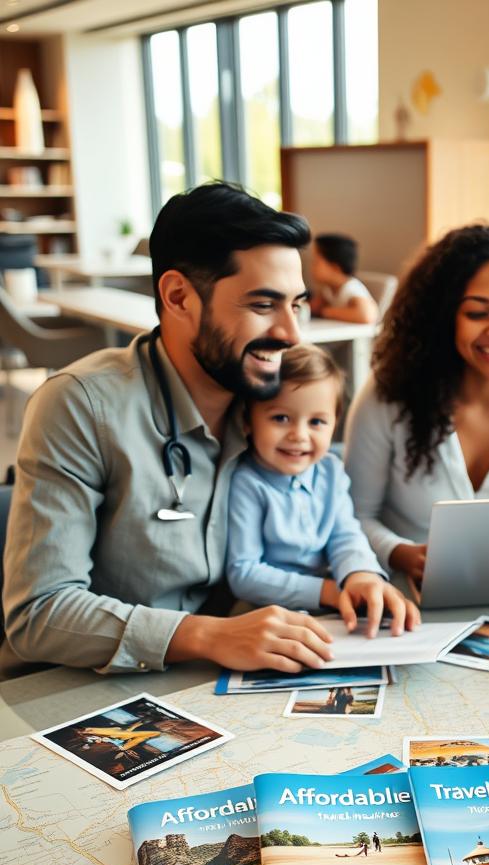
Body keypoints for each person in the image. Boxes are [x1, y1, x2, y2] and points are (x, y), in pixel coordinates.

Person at [1, 181, 339, 677]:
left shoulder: (279, 407)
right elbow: (39, 613)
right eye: (264, 305)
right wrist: (208, 635)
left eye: (297, 304)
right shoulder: (81, 406)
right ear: (179, 296)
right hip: (77, 691)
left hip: (216, 683)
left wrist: (363, 572)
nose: (291, 333)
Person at [344, 224, 489, 588]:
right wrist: (401, 552)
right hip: (397, 594)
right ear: (443, 319)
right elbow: (352, 516)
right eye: (477, 313)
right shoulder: (388, 393)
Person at [225, 344, 417, 637]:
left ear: (334, 423)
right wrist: (328, 591)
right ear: (248, 420)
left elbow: (346, 535)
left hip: (332, 600)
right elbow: (244, 572)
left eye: (316, 422)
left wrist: (360, 574)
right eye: (280, 418)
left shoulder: (330, 471)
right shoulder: (246, 482)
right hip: (264, 610)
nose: (299, 436)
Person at [308, 233, 378, 325]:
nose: (311, 268)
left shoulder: (351, 288)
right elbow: (313, 307)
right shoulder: (329, 289)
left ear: (335, 268)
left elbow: (367, 316)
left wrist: (325, 311)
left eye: (315, 262)